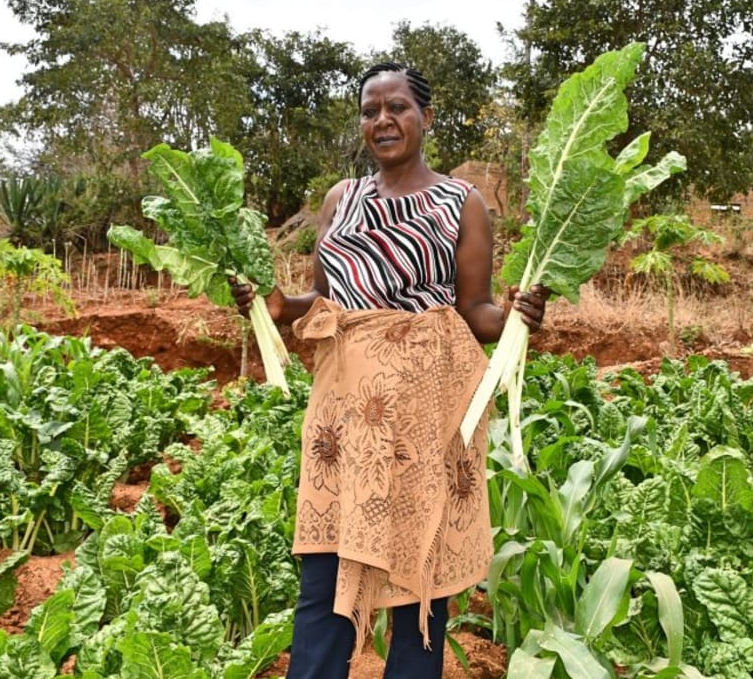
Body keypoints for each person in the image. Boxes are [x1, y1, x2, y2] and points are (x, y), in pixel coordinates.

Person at [230, 62, 548, 679]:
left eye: (397, 107)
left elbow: (474, 309)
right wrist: (277, 306)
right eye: (370, 111)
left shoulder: (462, 202)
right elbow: (325, 301)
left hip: (427, 404)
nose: (383, 121)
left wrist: (514, 314)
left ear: (425, 118)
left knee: (420, 579)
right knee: (324, 566)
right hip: (346, 406)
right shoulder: (340, 200)